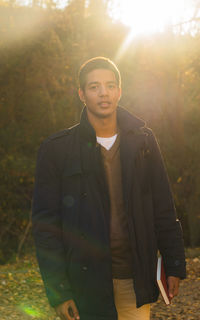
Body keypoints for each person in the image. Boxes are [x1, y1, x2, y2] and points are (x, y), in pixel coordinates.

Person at [32, 57, 186, 320]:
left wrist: (174, 263)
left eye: (110, 85)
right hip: (84, 284)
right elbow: (46, 225)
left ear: (119, 91)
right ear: (82, 94)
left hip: (133, 278)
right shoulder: (57, 149)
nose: (103, 93)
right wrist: (59, 291)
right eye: (94, 87)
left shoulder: (144, 142)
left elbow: (163, 208)